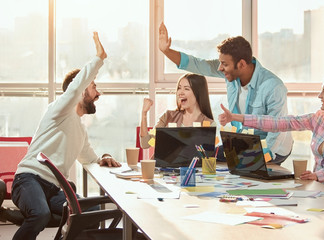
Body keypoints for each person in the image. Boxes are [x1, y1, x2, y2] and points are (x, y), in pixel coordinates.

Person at [9, 32, 121, 240]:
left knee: (91, 212)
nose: (98, 93)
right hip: (28, 179)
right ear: (79, 91)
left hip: (53, 190)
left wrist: (103, 158)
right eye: (94, 86)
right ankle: (31, 214)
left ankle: (29, 217)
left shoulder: (80, 129)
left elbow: (90, 159)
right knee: (40, 215)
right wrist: (99, 59)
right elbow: (78, 85)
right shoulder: (59, 110)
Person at [158, 22, 293, 165]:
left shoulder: (273, 87)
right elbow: (198, 64)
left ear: (241, 64)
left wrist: (259, 160)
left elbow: (277, 129)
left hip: (273, 148)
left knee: (245, 170)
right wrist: (166, 51)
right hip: (245, 143)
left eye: (224, 64)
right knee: (207, 156)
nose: (220, 68)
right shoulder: (232, 74)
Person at [218, 74, 324, 190]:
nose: (319, 96)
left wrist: (316, 175)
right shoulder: (318, 119)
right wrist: (236, 117)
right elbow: (280, 123)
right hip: (320, 189)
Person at [140, 73, 214, 149]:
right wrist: (144, 114)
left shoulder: (209, 124)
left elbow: (207, 157)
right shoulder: (168, 116)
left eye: (186, 89)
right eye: (179, 88)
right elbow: (145, 144)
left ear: (198, 93)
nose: (180, 93)